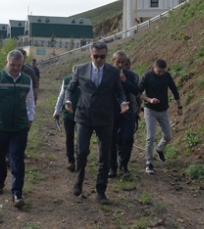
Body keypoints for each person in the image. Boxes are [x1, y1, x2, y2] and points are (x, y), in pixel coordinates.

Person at [65, 41, 129, 205]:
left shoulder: (113, 71)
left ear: (106, 56)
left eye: (102, 56)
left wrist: (123, 103)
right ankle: (79, 180)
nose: (99, 59)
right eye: (96, 56)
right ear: (90, 55)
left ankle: (101, 190)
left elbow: (119, 92)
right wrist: (68, 100)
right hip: (84, 116)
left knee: (105, 154)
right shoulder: (81, 69)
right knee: (83, 150)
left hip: (105, 117)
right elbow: (71, 88)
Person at [0, 50, 35, 209]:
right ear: (7, 63)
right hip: (0, 126)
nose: (16, 68)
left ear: (23, 64)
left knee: (17, 158)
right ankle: (0, 181)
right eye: (13, 65)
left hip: (19, 126)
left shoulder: (26, 80)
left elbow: (30, 101)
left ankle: (17, 192)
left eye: (19, 65)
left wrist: (30, 118)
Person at [138, 59, 182, 175]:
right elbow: (138, 92)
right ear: (154, 67)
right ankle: (149, 162)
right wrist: (149, 99)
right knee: (150, 137)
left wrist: (179, 106)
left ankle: (159, 149)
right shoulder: (146, 76)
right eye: (159, 71)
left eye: (162, 71)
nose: (161, 74)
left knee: (168, 135)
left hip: (163, 110)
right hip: (150, 110)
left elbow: (174, 90)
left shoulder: (167, 76)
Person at [109, 51, 140, 178]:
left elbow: (136, 90)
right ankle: (112, 167)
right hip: (112, 110)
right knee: (111, 139)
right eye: (118, 62)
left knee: (128, 137)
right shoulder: (107, 73)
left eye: (123, 62)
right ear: (113, 60)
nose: (121, 65)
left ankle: (124, 164)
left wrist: (125, 80)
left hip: (127, 110)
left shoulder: (131, 75)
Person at [53, 65, 80, 172]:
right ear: (72, 72)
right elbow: (61, 96)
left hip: (81, 113)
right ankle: (71, 161)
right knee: (69, 136)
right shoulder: (67, 80)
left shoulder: (86, 81)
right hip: (67, 113)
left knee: (81, 138)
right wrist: (56, 111)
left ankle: (79, 158)